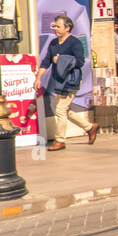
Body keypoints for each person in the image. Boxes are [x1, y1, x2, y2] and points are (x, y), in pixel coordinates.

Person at [34, 15, 97, 151]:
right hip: (59, 80)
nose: (55, 29)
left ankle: (60, 140)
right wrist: (38, 78)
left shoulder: (75, 43)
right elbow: (46, 61)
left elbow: (80, 62)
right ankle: (90, 127)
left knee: (60, 110)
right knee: (65, 111)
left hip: (71, 81)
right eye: (54, 26)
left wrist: (61, 59)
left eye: (58, 26)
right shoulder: (53, 43)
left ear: (67, 28)